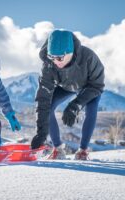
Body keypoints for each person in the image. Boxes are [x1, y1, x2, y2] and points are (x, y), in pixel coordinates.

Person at [31, 30, 105, 160]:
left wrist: (75, 105)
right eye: (52, 57)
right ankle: (58, 149)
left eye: (59, 57)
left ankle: (83, 150)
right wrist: (41, 133)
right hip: (65, 86)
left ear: (70, 53)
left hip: (90, 87)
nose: (56, 61)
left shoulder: (89, 57)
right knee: (48, 106)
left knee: (91, 108)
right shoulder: (49, 65)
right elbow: (42, 99)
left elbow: (97, 86)